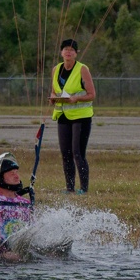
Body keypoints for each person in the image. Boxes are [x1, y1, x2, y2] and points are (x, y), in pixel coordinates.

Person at [48, 38, 95, 194]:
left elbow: (92, 94)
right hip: (63, 115)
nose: (68, 52)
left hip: (81, 116)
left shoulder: (82, 69)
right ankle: (70, 188)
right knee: (65, 153)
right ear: (61, 52)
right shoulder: (56, 69)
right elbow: (54, 90)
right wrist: (53, 97)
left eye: (71, 50)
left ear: (76, 53)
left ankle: (83, 188)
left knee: (77, 152)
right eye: (65, 49)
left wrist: (76, 99)